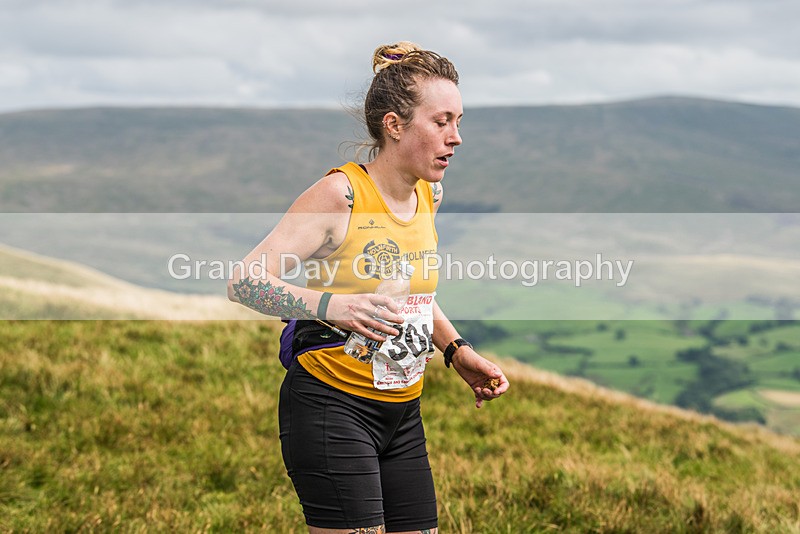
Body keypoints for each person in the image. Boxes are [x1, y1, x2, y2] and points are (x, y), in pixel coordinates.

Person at [228, 41, 509, 534]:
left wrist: (456, 349)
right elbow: (245, 282)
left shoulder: (429, 194)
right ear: (395, 125)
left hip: (403, 413)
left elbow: (413, 295)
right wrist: (332, 306)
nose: (456, 137)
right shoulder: (342, 195)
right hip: (331, 406)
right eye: (441, 122)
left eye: (459, 122)